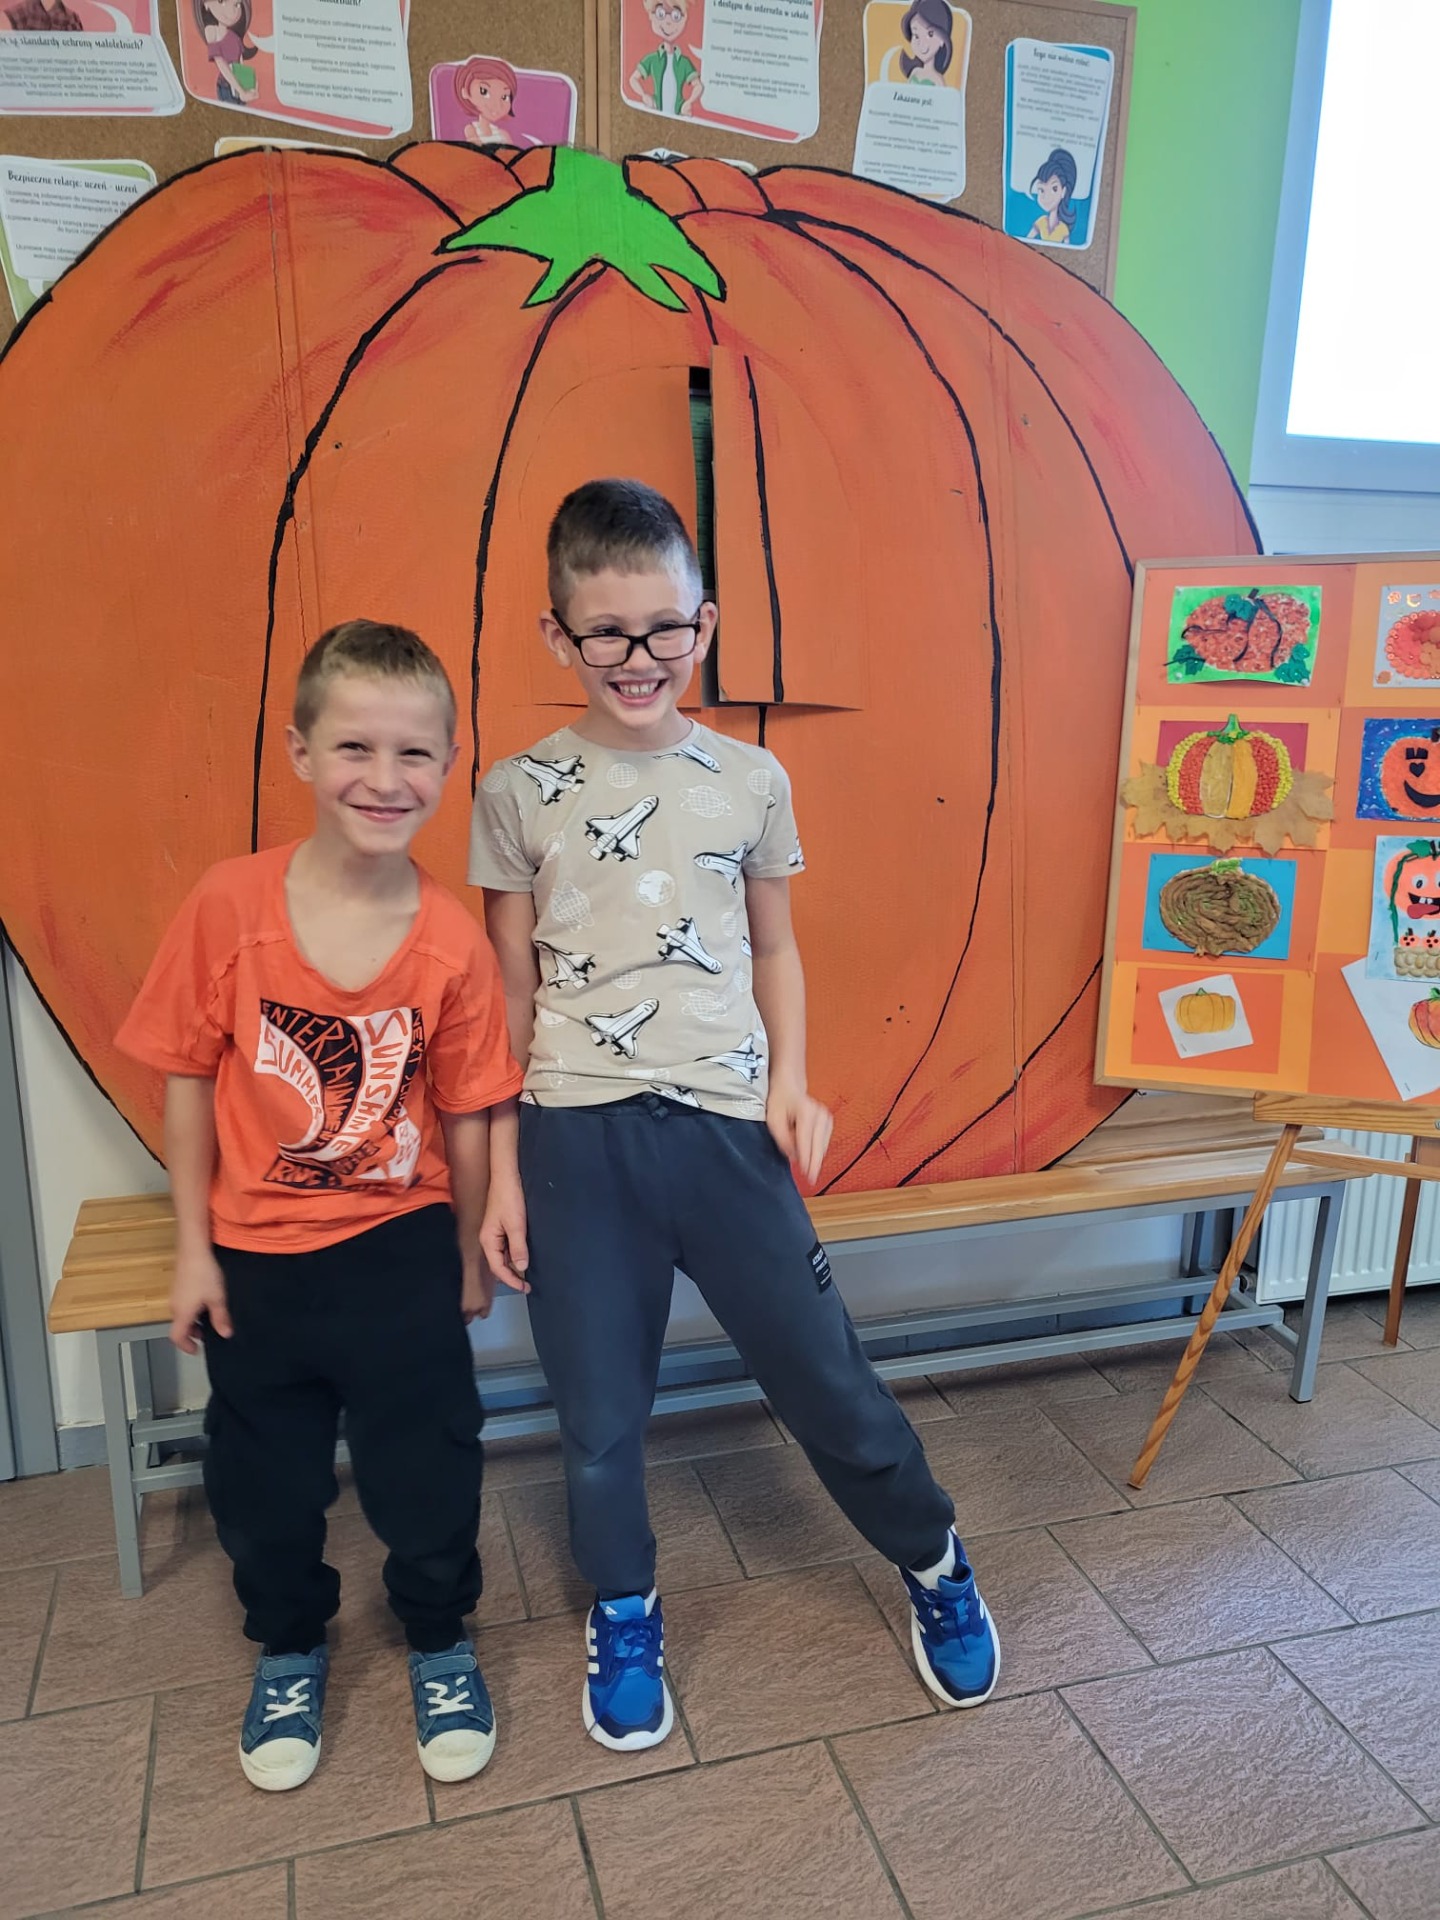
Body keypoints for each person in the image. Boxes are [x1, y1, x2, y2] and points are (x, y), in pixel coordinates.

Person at [471, 479, 1000, 1753]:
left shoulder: (750, 779)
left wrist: (791, 1081)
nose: (638, 655)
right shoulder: (516, 791)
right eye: (606, 631)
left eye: (666, 627)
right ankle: (625, 1609)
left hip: (724, 1129)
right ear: (557, 635)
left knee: (826, 1380)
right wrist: (498, 1173)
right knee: (599, 1420)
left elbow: (775, 949)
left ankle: (935, 1560)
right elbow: (507, 992)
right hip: (573, 1138)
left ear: (703, 624)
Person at [117, 620, 523, 1793]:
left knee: (428, 1468)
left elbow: (473, 1110)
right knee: (264, 1484)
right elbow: (186, 1077)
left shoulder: (451, 944)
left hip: (400, 1253)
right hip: (256, 1259)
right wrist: (193, 1250)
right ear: (299, 751)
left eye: (414, 754)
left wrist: (467, 1253)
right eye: (354, 747)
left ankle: (440, 1639)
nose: (383, 779)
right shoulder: (227, 907)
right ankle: (289, 1646)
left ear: (449, 766)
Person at [629, 0, 701, 118]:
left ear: (685, 18)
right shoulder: (652, 59)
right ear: (651, 15)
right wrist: (644, 95)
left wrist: (688, 102)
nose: (668, 22)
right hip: (656, 113)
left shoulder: (684, 62)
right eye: (660, 14)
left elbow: (698, 86)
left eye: (676, 16)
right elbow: (633, 79)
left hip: (679, 114)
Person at [454, 55, 534, 147]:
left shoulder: (503, 134)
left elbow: (512, 152)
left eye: (504, 97)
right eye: (484, 91)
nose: (496, 104)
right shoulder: (471, 129)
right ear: (465, 92)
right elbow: (475, 149)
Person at [193, 0, 259, 106]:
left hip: (238, 86)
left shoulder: (234, 36)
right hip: (226, 87)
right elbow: (221, 64)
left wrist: (249, 85)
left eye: (237, 4)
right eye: (221, 1)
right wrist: (241, 91)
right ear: (206, 4)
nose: (232, 11)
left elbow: (240, 62)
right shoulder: (211, 31)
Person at [1027, 147, 1079, 245]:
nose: (1046, 196)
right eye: (1041, 190)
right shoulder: (1041, 222)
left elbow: (1067, 248)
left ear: (1063, 191)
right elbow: (1027, 240)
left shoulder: (1063, 229)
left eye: (1054, 189)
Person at [899, 0, 954, 84]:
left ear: (942, 40)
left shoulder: (938, 79)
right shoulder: (915, 72)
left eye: (930, 34)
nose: (921, 42)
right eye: (916, 35)